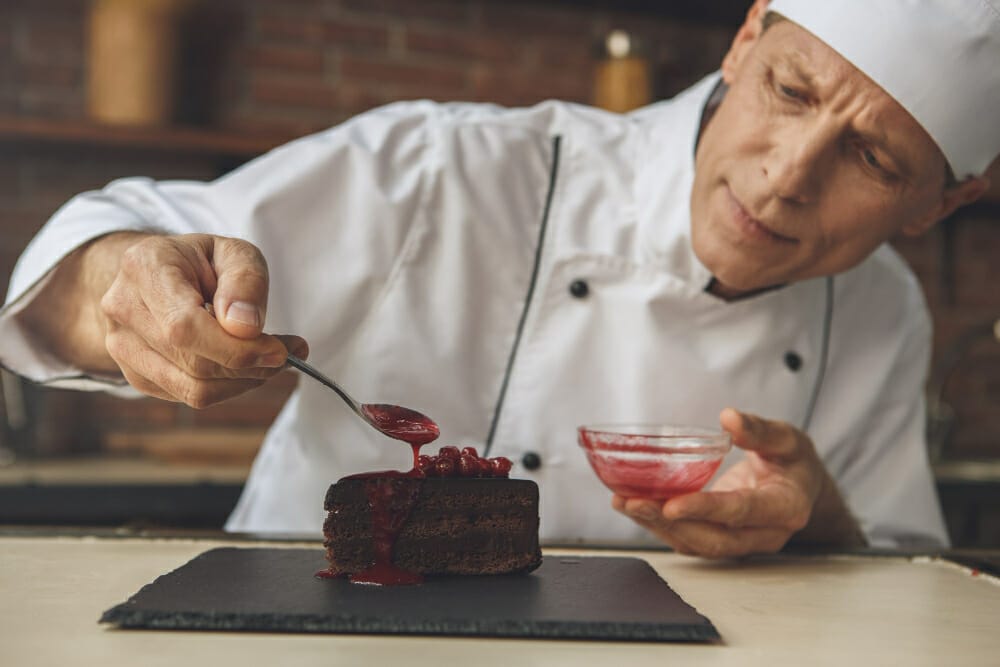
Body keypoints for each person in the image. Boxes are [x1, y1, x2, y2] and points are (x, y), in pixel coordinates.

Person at [2, 0, 997, 556]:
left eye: (874, 162)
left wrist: (818, 519)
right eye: (789, 90)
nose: (786, 177)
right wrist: (123, 284)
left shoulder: (883, 313)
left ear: (935, 205)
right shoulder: (447, 169)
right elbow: (121, 239)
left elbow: (900, 583)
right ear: (745, 41)